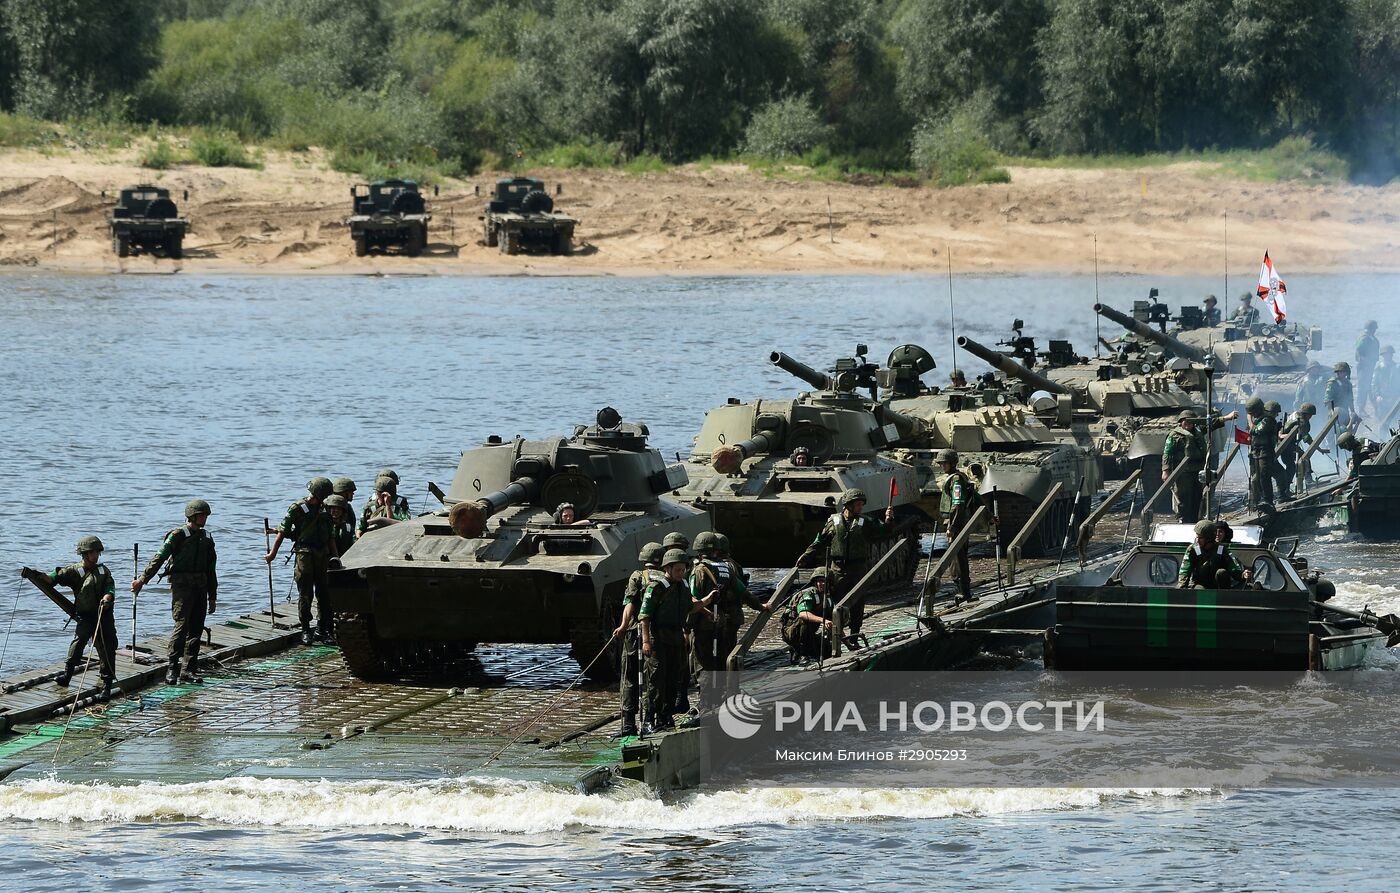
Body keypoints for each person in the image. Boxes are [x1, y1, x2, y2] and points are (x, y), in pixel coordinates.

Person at [132, 499, 217, 685]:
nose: (205, 518)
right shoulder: (178, 535)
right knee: (182, 625)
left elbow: (211, 568)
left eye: (206, 515)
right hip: (182, 587)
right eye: (202, 515)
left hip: (201, 586)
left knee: (196, 628)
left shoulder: (207, 538)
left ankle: (189, 669)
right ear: (192, 516)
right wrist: (142, 579)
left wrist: (213, 596)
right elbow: (160, 557)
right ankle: (172, 668)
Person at [798, 487, 893, 647]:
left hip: (858, 570)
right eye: (857, 504)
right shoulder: (833, 522)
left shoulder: (865, 522)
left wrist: (888, 519)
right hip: (838, 570)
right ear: (848, 505)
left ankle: (854, 637)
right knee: (836, 605)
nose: (860, 507)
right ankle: (835, 639)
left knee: (857, 605)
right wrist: (807, 555)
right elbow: (820, 540)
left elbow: (885, 531)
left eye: (862, 504)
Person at [688, 531, 770, 682]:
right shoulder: (725, 568)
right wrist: (760, 606)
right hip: (720, 621)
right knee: (720, 658)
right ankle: (721, 694)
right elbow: (743, 592)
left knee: (703, 661)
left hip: (703, 622)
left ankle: (707, 701)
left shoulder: (699, 570)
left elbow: (692, 599)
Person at [266, 477, 338, 645]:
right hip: (305, 553)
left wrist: (336, 557)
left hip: (323, 554)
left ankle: (322, 629)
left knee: (324, 594)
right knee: (305, 594)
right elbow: (283, 531)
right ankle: (305, 629)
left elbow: (330, 536)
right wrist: (273, 554)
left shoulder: (325, 509)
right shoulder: (297, 508)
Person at [640, 548, 701, 733]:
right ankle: (650, 718)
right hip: (658, 637)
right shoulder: (656, 587)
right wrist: (645, 641)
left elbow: (690, 608)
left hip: (676, 638)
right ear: (668, 568)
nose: (681, 573)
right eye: (677, 570)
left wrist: (707, 601)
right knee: (656, 680)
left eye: (683, 569)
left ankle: (666, 716)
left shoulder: (683, 586)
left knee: (674, 678)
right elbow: (645, 616)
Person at [51, 535, 118, 695]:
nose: (96, 555)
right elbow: (56, 576)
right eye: (93, 552)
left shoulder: (103, 571)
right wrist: (43, 577)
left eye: (97, 552)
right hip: (85, 616)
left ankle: (107, 684)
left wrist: (108, 597)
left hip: (104, 615)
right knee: (79, 641)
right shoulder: (75, 571)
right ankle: (67, 675)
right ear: (85, 554)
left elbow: (110, 586)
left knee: (108, 647)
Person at [613, 541, 663, 738]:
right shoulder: (666, 578)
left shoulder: (637, 576)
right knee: (652, 677)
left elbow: (630, 603)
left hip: (635, 633)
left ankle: (628, 724)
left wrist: (624, 626)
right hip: (655, 633)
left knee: (630, 676)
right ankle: (651, 719)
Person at [1162, 408, 1238, 523]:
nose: (1188, 423)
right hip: (1183, 472)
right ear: (1180, 422)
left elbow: (1212, 424)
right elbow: (1167, 453)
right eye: (1185, 421)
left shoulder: (1198, 431)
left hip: (1198, 471)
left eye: (1190, 421)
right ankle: (1183, 519)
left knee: (1197, 496)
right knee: (1183, 497)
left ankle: (1195, 519)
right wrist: (1165, 470)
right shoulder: (1174, 436)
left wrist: (1227, 418)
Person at [936, 450, 976, 601]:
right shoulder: (956, 478)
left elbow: (958, 504)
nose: (942, 466)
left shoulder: (956, 480)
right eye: (941, 463)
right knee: (958, 556)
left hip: (956, 522)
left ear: (952, 463)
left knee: (957, 557)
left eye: (944, 463)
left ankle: (963, 592)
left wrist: (952, 526)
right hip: (957, 521)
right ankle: (963, 590)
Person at [783, 568, 834, 662]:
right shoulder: (808, 594)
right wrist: (823, 620)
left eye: (824, 581)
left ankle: (803, 648)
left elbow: (833, 622)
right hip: (792, 632)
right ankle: (800, 652)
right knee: (805, 619)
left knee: (827, 651)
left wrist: (847, 643)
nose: (821, 584)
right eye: (819, 581)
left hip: (809, 633)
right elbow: (803, 614)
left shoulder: (828, 598)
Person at [1177, 519, 1247, 589]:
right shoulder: (1193, 549)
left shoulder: (1221, 549)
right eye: (1197, 537)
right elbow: (1185, 571)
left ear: (1209, 538)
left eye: (1200, 538)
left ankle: (1224, 597)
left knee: (1221, 573)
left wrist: (1242, 575)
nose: (1197, 540)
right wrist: (1181, 588)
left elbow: (1233, 568)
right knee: (1200, 591)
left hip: (1218, 587)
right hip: (1198, 584)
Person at [1277, 403, 1315, 497]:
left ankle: (1286, 488)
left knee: (1291, 465)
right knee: (1303, 458)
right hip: (1287, 444)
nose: (1311, 417)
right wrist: (1315, 446)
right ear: (1306, 414)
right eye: (1310, 415)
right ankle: (1308, 480)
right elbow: (1306, 437)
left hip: (1285, 443)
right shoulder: (1301, 422)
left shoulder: (1294, 414)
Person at [1246, 397, 1278, 508]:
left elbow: (1257, 430)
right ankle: (1257, 501)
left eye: (1253, 412)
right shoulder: (1259, 419)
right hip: (1256, 451)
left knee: (1265, 476)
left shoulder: (1267, 419)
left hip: (1266, 451)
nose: (1253, 414)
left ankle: (1268, 501)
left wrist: (1249, 420)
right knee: (1257, 477)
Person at [1356, 321, 1380, 413]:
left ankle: (1376, 407)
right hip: (1364, 368)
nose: (1374, 331)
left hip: (1371, 367)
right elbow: (1359, 352)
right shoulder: (1364, 339)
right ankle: (1361, 408)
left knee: (1371, 387)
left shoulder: (1374, 339)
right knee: (1363, 387)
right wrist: (1365, 363)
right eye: (1373, 329)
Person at [1325, 362, 1357, 433]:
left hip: (1344, 411)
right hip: (1335, 410)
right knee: (1333, 432)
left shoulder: (1348, 383)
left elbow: (1350, 399)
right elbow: (1328, 399)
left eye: (1343, 372)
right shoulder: (1332, 382)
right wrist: (1331, 411)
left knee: (1346, 431)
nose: (1342, 373)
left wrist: (1352, 411)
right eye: (1340, 372)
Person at [326, 493, 355, 559]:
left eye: (339, 509)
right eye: (333, 508)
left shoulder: (348, 527)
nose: (336, 511)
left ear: (343, 511)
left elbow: (354, 542)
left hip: (345, 558)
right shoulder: (324, 526)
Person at [1372, 345, 1398, 415]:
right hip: (1382, 397)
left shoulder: (1396, 367)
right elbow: (1374, 383)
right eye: (1386, 354)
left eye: (1390, 353)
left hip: (1394, 398)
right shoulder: (1379, 368)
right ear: (1383, 355)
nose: (1388, 355)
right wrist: (1377, 395)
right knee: (1382, 418)